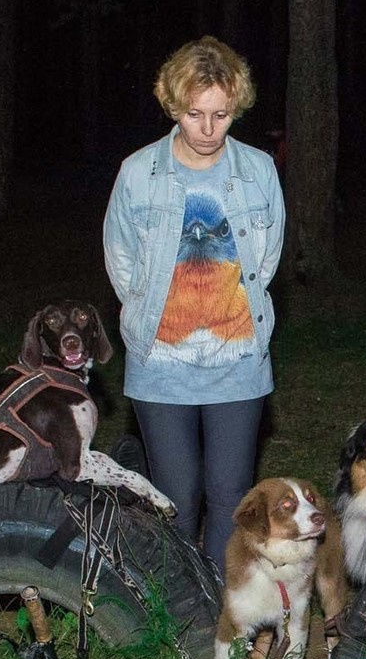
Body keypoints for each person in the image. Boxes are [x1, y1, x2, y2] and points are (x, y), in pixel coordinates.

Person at [102, 37, 286, 573]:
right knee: (174, 496)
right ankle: (179, 608)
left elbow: (266, 256)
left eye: (221, 114)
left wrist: (227, 316)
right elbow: (121, 258)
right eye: (195, 114)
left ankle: (218, 612)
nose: (207, 129)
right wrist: (156, 321)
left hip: (238, 362)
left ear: (237, 107)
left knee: (230, 495)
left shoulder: (258, 171)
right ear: (173, 106)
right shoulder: (138, 172)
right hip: (161, 364)